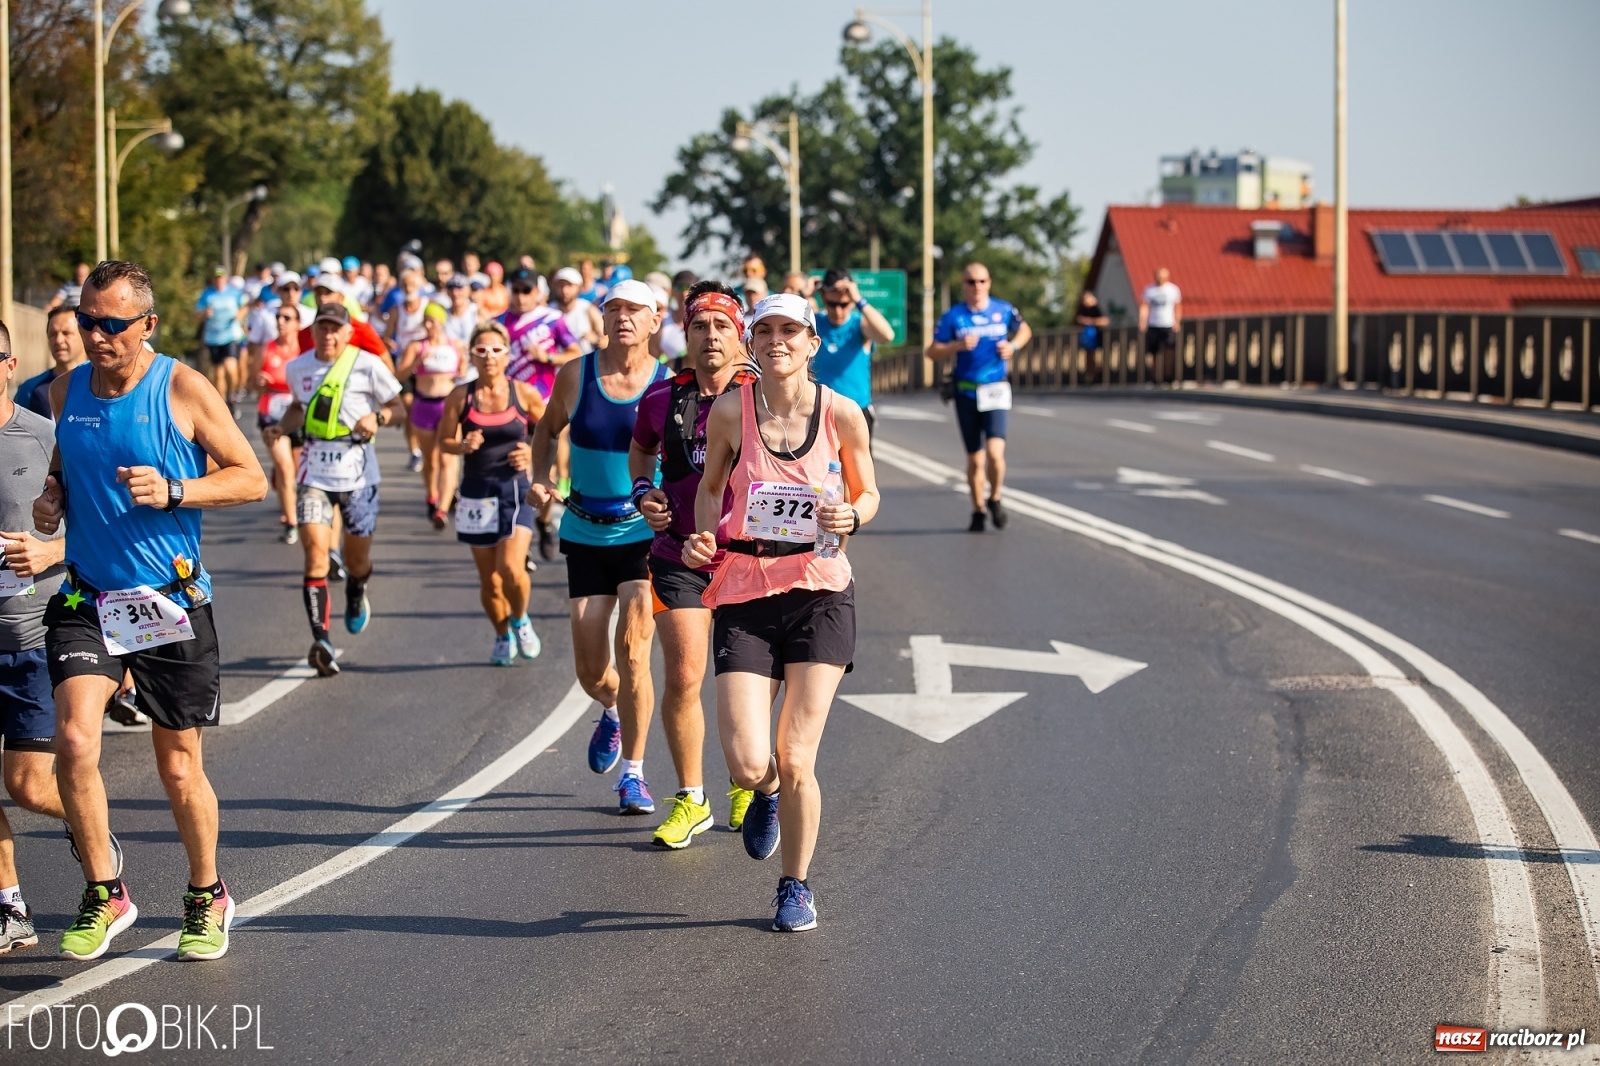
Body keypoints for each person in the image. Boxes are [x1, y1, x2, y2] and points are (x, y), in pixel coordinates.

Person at [36, 259, 269, 961]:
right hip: (87, 596)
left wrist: (174, 492)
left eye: (111, 324)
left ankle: (206, 894)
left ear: (147, 325)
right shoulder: (64, 389)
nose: (96, 336)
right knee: (75, 742)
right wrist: (52, 497)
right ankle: (105, 890)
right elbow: (63, 469)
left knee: (177, 768)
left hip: (169, 602)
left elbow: (250, 478)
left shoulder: (183, 387)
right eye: (87, 320)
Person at [681, 292, 879, 932]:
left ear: (812, 343)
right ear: (750, 343)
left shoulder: (842, 414)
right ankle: (762, 796)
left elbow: (869, 489)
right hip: (745, 587)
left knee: (796, 758)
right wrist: (704, 536)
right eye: (763, 331)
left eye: (789, 331)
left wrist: (854, 514)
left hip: (820, 589)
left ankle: (795, 885)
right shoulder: (729, 414)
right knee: (746, 761)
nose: (775, 342)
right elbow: (711, 489)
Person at [529, 280, 668, 815]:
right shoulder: (576, 374)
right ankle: (611, 709)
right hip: (584, 529)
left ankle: (633, 775)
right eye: (614, 309)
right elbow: (545, 430)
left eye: (635, 310)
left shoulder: (665, 384)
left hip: (643, 532)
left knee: (635, 652)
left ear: (655, 321)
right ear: (603, 319)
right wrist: (540, 476)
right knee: (593, 670)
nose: (623, 318)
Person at [628, 281, 757, 848]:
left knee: (748, 684)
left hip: (751, 560)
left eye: (722, 326)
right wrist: (643, 493)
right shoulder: (661, 398)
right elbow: (642, 450)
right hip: (679, 553)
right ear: (686, 332)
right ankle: (691, 797)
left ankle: (747, 781)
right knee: (683, 676)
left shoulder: (765, 397)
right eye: (700, 326)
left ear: (740, 334)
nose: (710, 337)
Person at [0, 321, 85, 955]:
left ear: (9, 366)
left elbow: (90, 528)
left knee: (29, 784)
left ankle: (92, 824)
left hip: (30, 635)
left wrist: (50, 550)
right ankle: (11, 907)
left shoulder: (43, 436)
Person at [268, 303, 404, 677]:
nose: (328, 335)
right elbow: (298, 407)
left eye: (335, 329)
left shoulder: (367, 364)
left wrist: (377, 417)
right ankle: (321, 640)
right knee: (316, 556)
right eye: (322, 328)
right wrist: (282, 427)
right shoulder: (298, 367)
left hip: (359, 474)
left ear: (347, 333)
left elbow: (399, 408)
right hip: (314, 473)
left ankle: (357, 590)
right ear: (313, 332)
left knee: (357, 561)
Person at [438, 322, 546, 665]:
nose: (489, 358)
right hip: (475, 493)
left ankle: (521, 619)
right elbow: (444, 441)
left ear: (507, 354)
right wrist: (462, 445)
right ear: (471, 355)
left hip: (515, 489)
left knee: (512, 569)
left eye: (496, 350)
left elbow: (551, 430)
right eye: (481, 351)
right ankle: (502, 635)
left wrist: (531, 452)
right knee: (491, 581)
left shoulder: (523, 393)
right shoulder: (461, 395)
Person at [927, 262, 1031, 532]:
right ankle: (977, 509)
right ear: (963, 284)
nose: (977, 287)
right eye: (971, 282)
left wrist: (1014, 346)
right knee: (975, 459)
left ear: (989, 283)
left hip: (995, 388)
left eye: (982, 281)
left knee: (996, 454)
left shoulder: (1003, 310)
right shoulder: (954, 316)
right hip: (966, 392)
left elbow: (1025, 330)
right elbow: (932, 351)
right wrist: (957, 345)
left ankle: (995, 497)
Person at [395, 304, 463, 529]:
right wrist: (417, 363)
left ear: (441, 322)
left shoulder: (455, 345)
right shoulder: (417, 346)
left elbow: (464, 373)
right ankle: (431, 495)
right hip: (424, 405)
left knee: (448, 458)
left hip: (448, 406)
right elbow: (399, 375)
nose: (428, 325)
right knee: (431, 460)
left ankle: (442, 509)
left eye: (432, 320)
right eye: (425, 320)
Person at [813, 269, 894, 439]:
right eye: (832, 304)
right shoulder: (815, 323)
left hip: (856, 409)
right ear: (823, 297)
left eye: (844, 305)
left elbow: (887, 335)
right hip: (819, 410)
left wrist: (858, 299)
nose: (838, 311)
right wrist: (803, 293)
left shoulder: (859, 325)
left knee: (857, 465)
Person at [257, 303, 302, 543]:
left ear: (297, 323)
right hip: (272, 415)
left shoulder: (305, 350)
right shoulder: (268, 348)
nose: (281, 321)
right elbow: (251, 381)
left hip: (300, 416)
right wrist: (260, 382)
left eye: (287, 317)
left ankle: (291, 499)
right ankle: (292, 521)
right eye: (278, 317)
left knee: (296, 472)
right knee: (285, 468)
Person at [16, 306, 89, 419]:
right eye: (53, 334)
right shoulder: (30, 389)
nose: (58, 340)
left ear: (84, 335)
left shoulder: (103, 383)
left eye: (66, 333)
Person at [195, 267, 247, 409]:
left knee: (231, 367)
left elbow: (244, 307)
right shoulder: (207, 294)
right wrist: (204, 313)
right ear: (213, 279)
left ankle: (232, 395)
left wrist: (239, 315)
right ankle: (222, 404)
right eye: (216, 277)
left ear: (225, 278)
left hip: (230, 334)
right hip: (213, 337)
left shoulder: (234, 293)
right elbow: (197, 314)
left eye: (221, 277)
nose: (219, 280)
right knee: (218, 374)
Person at [1139, 267, 1182, 386]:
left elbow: (1177, 307)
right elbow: (1144, 306)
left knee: (1169, 350)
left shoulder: (1173, 289)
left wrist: (1177, 321)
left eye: (1163, 276)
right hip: (1153, 323)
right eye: (1158, 276)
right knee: (1152, 353)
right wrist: (1143, 321)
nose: (1160, 279)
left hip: (1168, 323)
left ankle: (1168, 377)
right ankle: (1154, 377)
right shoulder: (1150, 290)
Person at [551, 267, 603, 355]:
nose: (565, 291)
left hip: (584, 365)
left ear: (579, 287)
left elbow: (607, 340)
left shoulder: (588, 309)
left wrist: (596, 340)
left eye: (569, 286)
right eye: (561, 285)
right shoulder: (548, 311)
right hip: (556, 366)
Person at [1075, 290, 1109, 380]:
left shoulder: (1096, 309)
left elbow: (1105, 321)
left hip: (1097, 335)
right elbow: (1079, 320)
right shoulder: (1082, 309)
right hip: (1087, 337)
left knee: (1096, 356)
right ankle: (1090, 375)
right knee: (1089, 356)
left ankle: (1096, 375)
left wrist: (1091, 321)